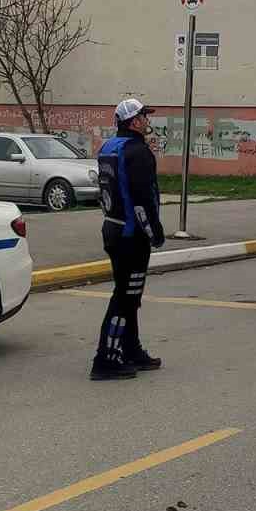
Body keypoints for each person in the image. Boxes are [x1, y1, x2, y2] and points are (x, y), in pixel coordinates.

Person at [90, 98, 165, 380]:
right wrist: (155, 233)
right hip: (131, 235)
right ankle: (106, 359)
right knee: (124, 297)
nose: (147, 121)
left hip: (112, 228)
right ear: (134, 121)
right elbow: (142, 199)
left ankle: (131, 350)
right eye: (144, 116)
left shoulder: (109, 148)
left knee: (130, 295)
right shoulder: (138, 152)